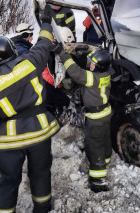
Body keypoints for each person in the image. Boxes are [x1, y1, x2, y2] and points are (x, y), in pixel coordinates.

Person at [0, 5, 60, 213]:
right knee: (40, 174)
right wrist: (46, 21)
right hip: (40, 134)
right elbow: (44, 43)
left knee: (8, 182)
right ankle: (42, 208)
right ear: (12, 49)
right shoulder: (30, 63)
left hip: (11, 142)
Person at [53, 44, 113, 193]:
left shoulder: (92, 78)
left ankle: (98, 180)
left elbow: (75, 72)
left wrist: (62, 53)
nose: (90, 65)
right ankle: (106, 159)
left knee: (95, 146)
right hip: (105, 113)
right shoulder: (105, 74)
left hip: (96, 118)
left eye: (92, 64)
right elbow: (91, 66)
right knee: (105, 140)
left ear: (97, 67)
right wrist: (83, 55)